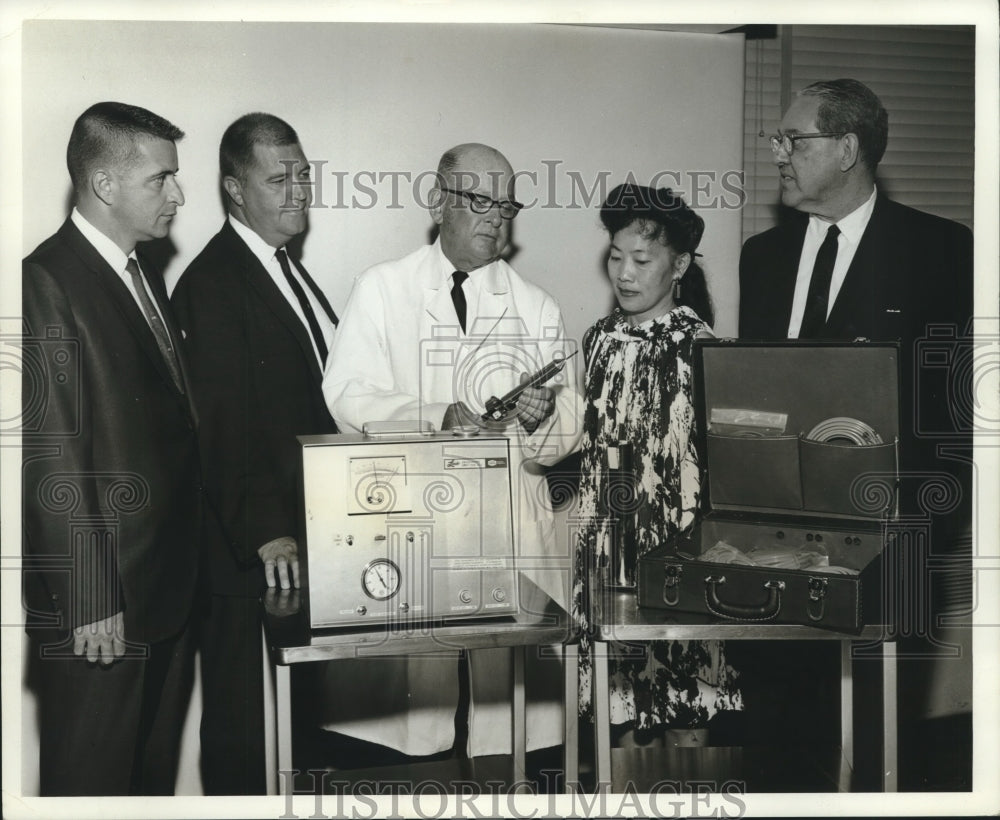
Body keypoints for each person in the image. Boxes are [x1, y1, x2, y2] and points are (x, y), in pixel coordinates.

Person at [737, 79, 973, 768]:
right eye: (776, 139)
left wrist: (928, 526)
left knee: (877, 744)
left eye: (795, 140)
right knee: (779, 742)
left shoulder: (942, 251)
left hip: (891, 544)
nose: (779, 153)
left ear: (847, 148)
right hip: (771, 539)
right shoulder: (764, 257)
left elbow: (955, 411)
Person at [321, 142, 582, 760]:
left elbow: (570, 421)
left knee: (510, 738)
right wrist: (435, 416)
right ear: (438, 201)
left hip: (507, 530)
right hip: (414, 525)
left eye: (507, 204)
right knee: (413, 737)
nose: (496, 216)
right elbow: (348, 394)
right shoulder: (383, 288)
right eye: (480, 200)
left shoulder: (533, 304)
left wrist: (543, 416)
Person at [22, 101, 200, 795]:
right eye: (161, 179)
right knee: (91, 790)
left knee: (148, 789)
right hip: (103, 612)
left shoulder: (139, 272)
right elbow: (51, 454)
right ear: (104, 185)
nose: (179, 195)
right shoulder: (46, 280)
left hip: (163, 597)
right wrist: (93, 597)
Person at [170, 113, 339, 794]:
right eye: (279, 178)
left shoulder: (282, 272)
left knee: (304, 718)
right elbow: (221, 427)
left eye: (303, 173)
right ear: (236, 190)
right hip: (251, 552)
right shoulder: (214, 284)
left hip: (303, 540)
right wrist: (268, 534)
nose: (298, 190)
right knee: (241, 730)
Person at [573, 183, 741, 745]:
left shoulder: (701, 344)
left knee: (685, 715)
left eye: (641, 260)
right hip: (605, 548)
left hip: (676, 548)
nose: (624, 272)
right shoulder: (597, 338)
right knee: (615, 715)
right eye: (616, 257)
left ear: (679, 265)